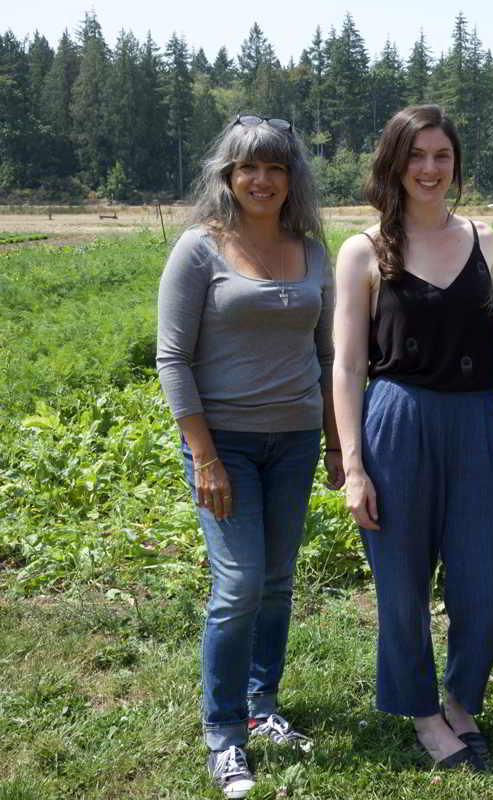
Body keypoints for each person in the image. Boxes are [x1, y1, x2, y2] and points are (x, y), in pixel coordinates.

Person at [156, 114, 341, 799]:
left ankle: (264, 707)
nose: (260, 180)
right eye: (247, 168)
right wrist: (203, 455)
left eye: (274, 167)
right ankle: (224, 732)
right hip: (224, 441)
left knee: (277, 579)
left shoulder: (312, 249)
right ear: (228, 177)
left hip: (292, 440)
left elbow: (326, 354)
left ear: (293, 178)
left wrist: (333, 443)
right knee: (238, 585)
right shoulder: (200, 249)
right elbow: (171, 357)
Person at [331, 105, 493, 771]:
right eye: (417, 156)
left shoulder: (491, 243)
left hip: (476, 422)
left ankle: (463, 698)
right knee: (400, 584)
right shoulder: (365, 250)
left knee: (492, 582)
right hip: (397, 420)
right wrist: (353, 467)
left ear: (456, 163)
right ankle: (422, 711)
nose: (430, 169)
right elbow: (348, 365)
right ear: (394, 164)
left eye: (441, 155)